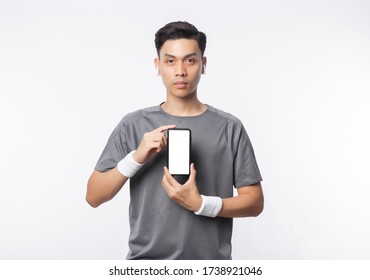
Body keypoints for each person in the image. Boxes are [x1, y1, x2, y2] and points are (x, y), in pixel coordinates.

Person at [86, 21, 264, 260]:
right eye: (170, 61)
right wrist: (135, 158)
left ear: (203, 64)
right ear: (158, 66)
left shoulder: (230, 127)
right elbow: (94, 196)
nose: (180, 71)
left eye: (189, 60)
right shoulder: (133, 124)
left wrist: (201, 204)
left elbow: (254, 203)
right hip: (145, 265)